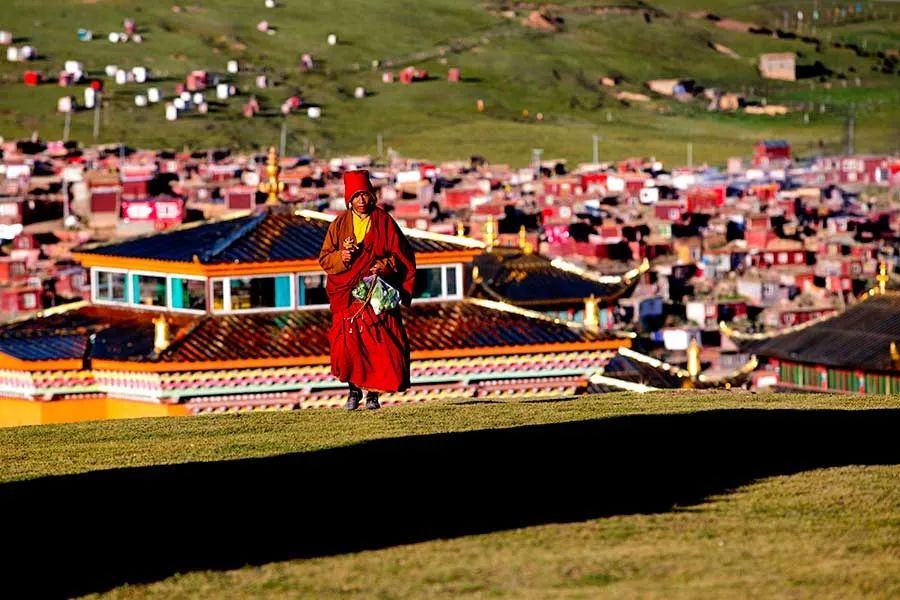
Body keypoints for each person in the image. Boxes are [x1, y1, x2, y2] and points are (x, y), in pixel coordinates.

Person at [318, 170, 417, 410]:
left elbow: (403, 255)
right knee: (350, 344)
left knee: (379, 344)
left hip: (376, 294)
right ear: (348, 199)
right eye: (356, 196)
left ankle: (373, 395)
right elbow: (324, 259)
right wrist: (342, 256)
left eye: (365, 195)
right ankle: (353, 390)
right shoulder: (339, 225)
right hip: (349, 294)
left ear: (371, 196)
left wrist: (386, 265)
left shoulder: (384, 221)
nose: (361, 200)